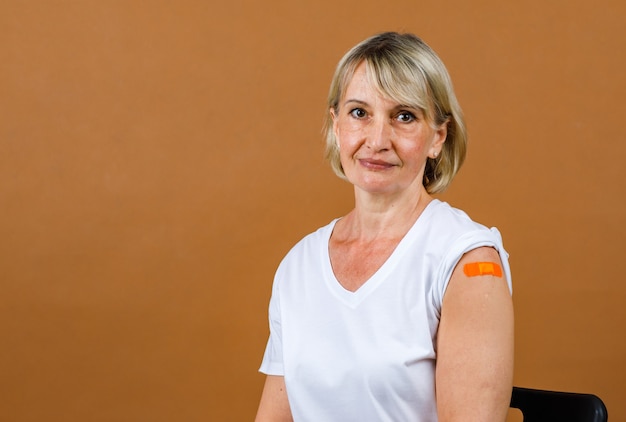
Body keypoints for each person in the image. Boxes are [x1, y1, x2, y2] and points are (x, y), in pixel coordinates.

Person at [255, 32, 514, 421]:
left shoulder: (466, 264)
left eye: (404, 116)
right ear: (336, 125)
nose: (377, 140)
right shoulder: (299, 266)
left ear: (437, 138)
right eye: (360, 113)